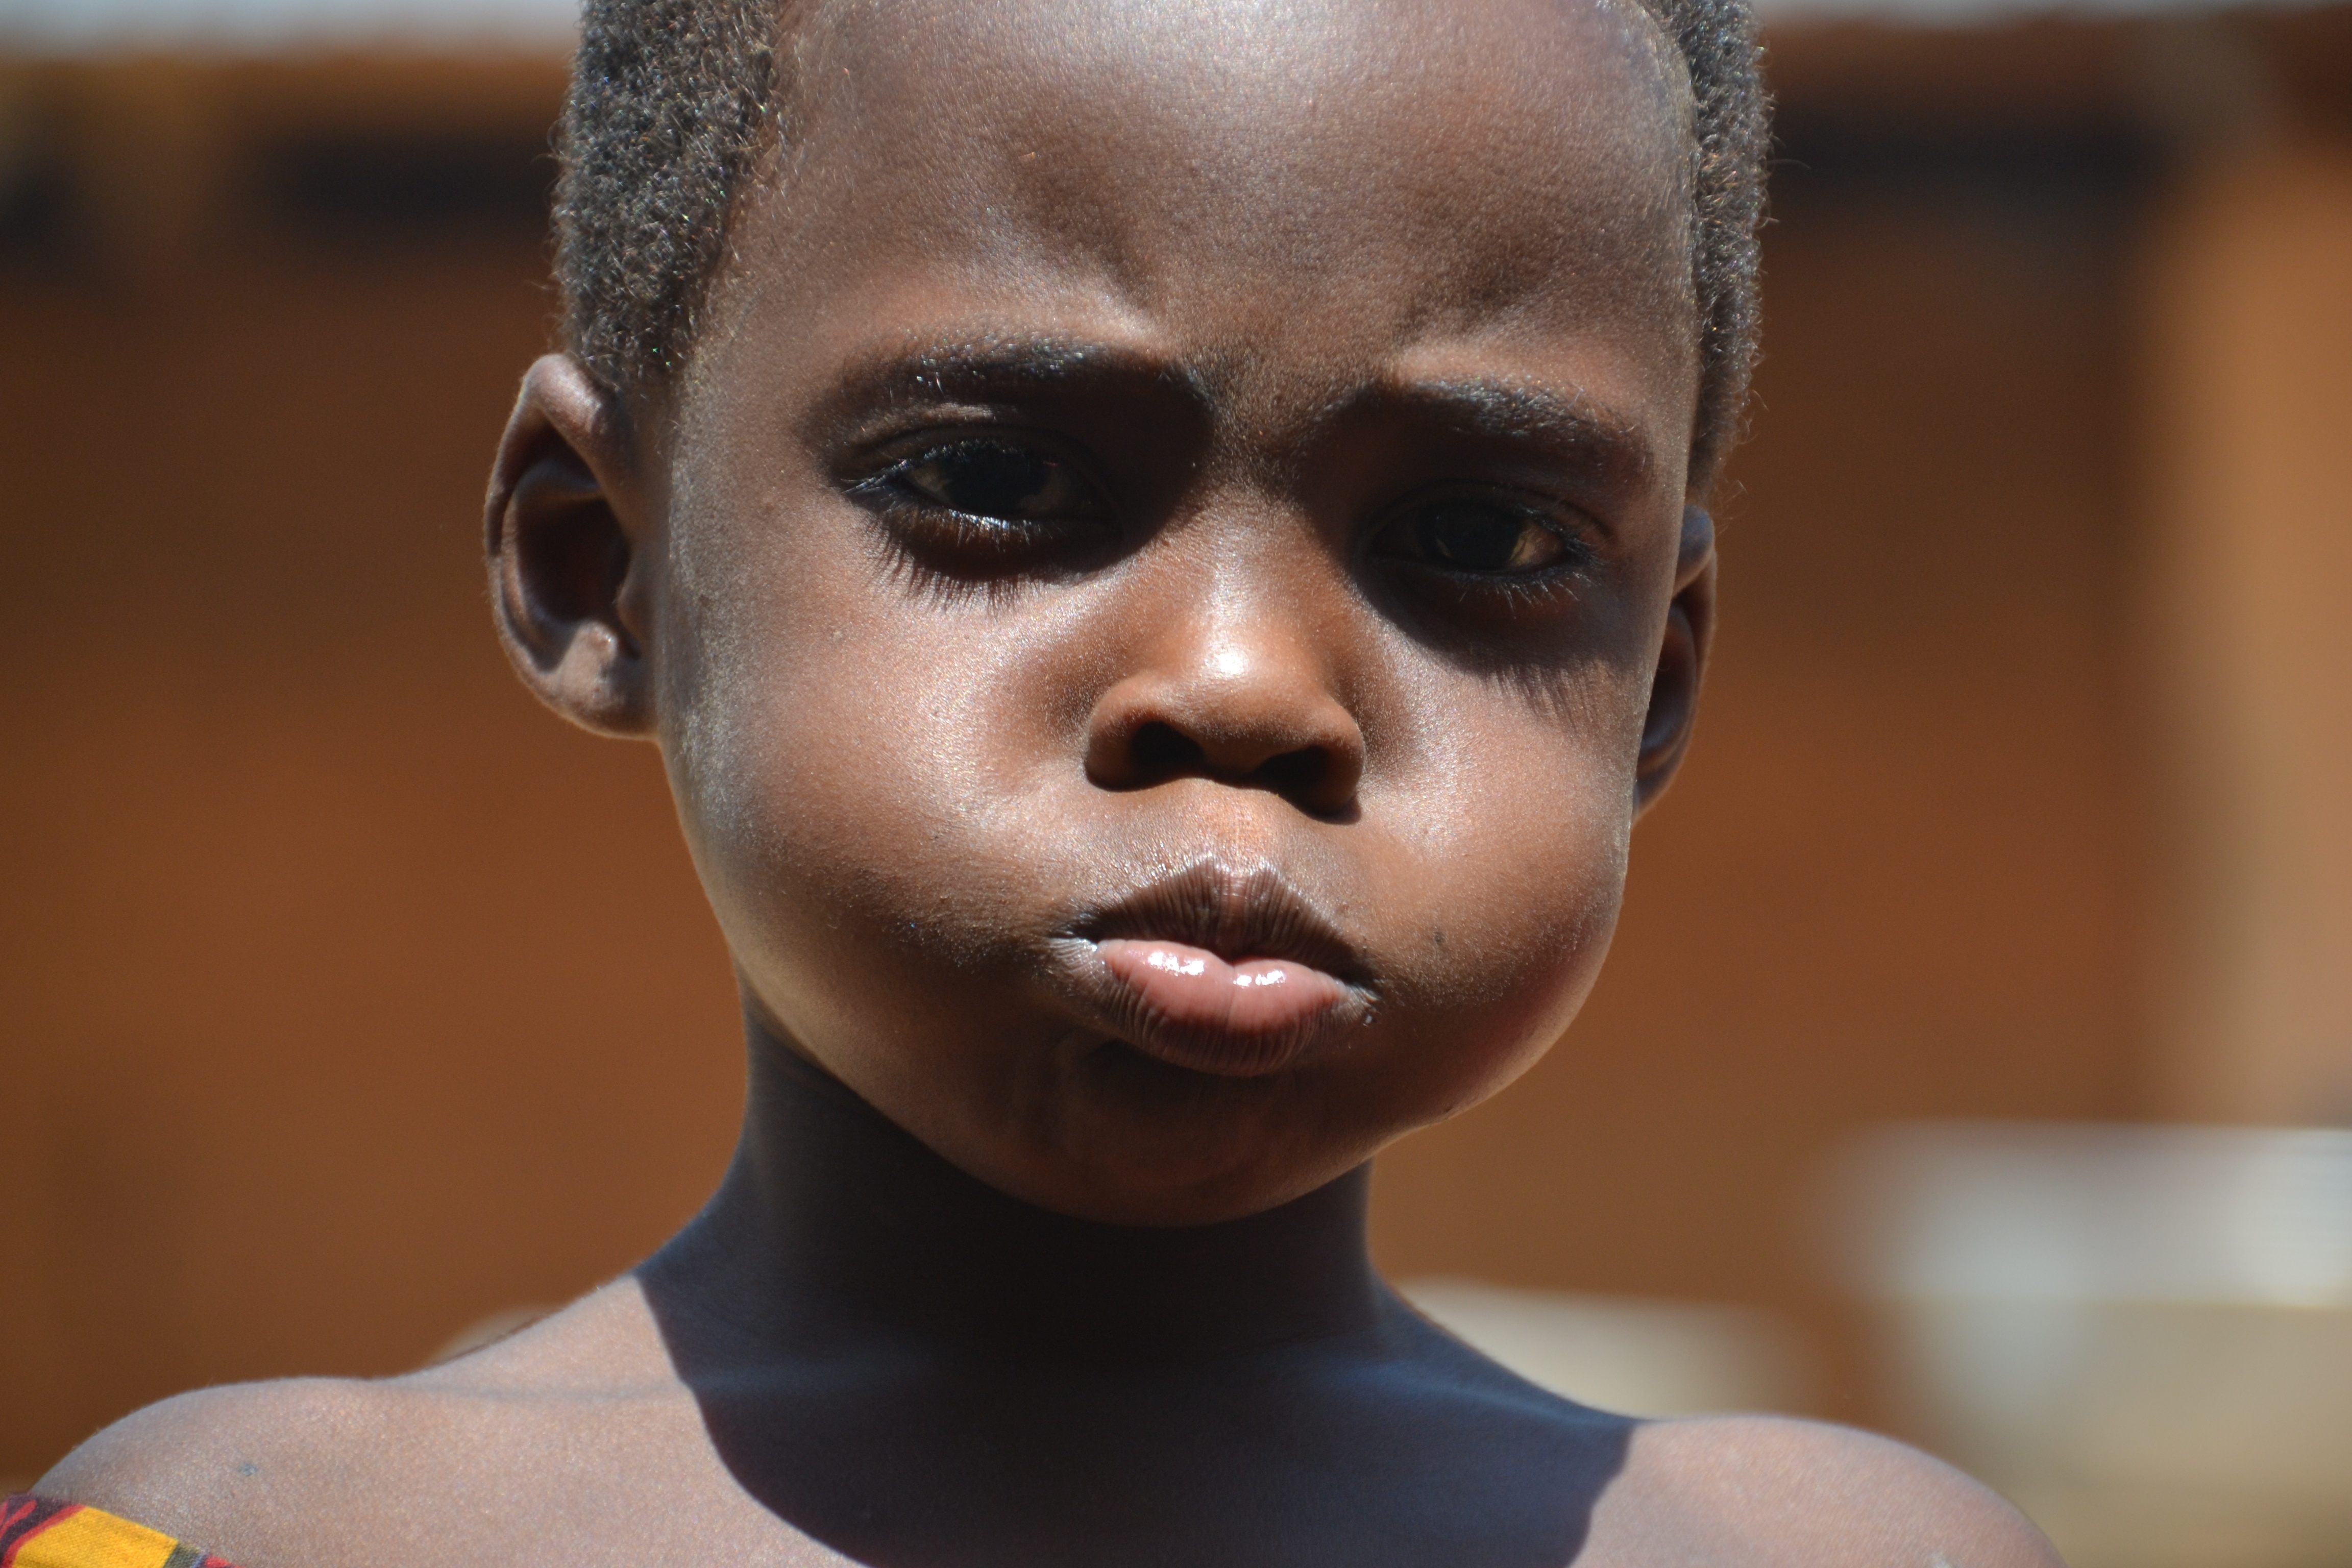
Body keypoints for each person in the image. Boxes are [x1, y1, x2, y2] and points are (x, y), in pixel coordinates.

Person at [12, 0, 2064, 1562]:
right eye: (997, 481)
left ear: (1656, 684)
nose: (1247, 692)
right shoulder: (247, 1539)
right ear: (601, 563)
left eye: (1486, 538)